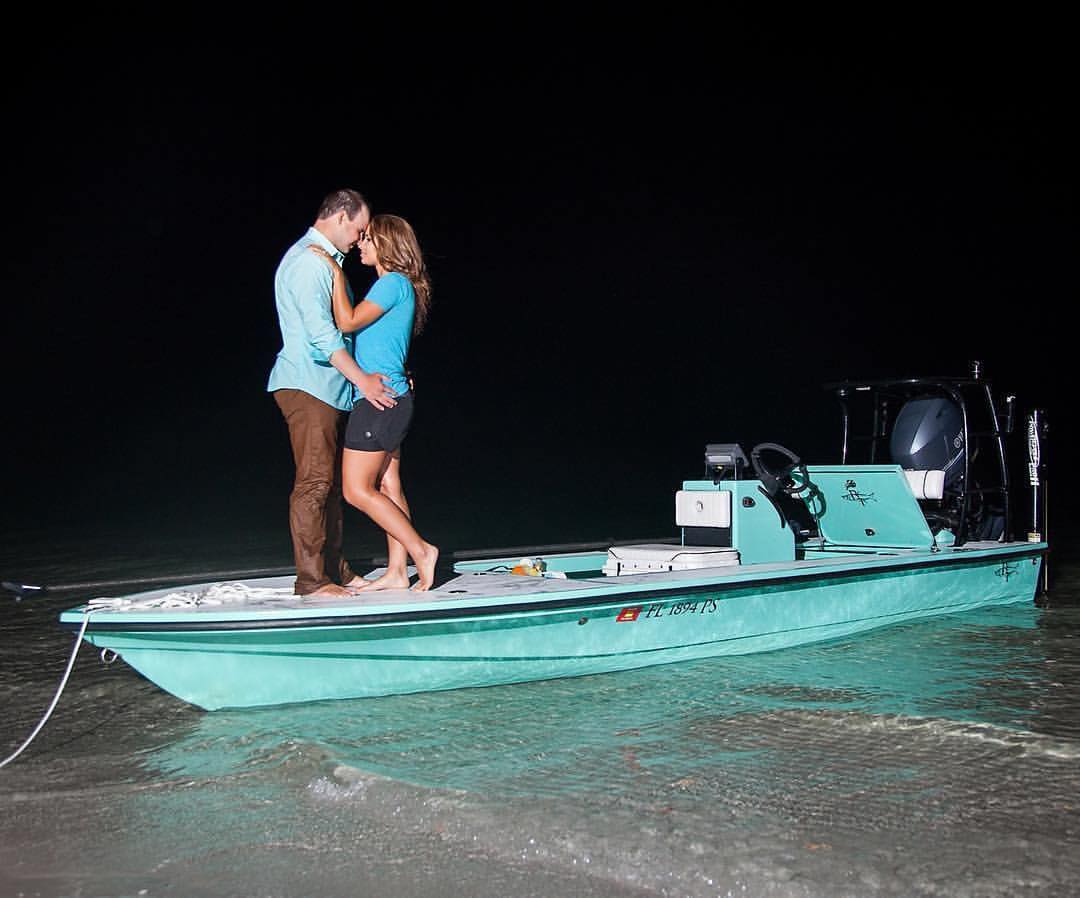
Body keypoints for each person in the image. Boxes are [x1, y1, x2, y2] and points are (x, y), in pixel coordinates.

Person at [267, 189, 397, 597]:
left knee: (329, 488)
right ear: (341, 217)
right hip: (307, 385)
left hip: (328, 388)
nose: (361, 239)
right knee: (313, 483)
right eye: (359, 230)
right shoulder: (308, 261)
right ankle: (311, 581)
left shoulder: (326, 262)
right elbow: (323, 335)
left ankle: (335, 571)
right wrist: (362, 379)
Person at [310, 214, 438, 591]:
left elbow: (347, 322)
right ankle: (398, 572)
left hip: (379, 402)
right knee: (389, 487)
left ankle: (421, 550)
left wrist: (333, 271)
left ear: (385, 244)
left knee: (355, 490)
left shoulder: (392, 283)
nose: (360, 244)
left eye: (367, 239)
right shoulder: (398, 286)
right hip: (394, 397)